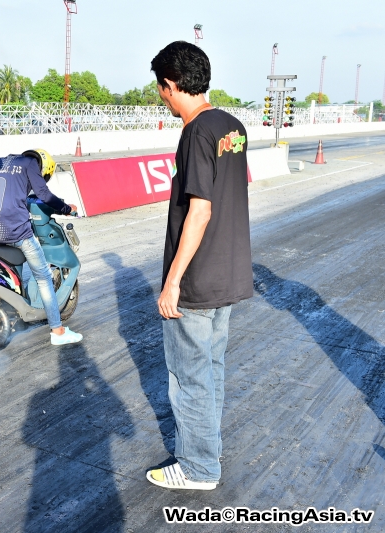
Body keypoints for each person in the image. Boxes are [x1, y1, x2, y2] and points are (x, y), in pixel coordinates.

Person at [145, 41, 253, 491]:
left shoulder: (195, 132)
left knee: (188, 377)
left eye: (161, 90)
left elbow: (201, 209)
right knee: (210, 370)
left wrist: (172, 282)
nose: (162, 97)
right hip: (228, 272)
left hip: (196, 278)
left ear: (172, 84)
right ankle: (208, 450)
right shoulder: (232, 125)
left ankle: (198, 467)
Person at [0, 149, 83, 346]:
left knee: (11, 271)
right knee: (43, 278)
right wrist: (67, 209)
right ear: (41, 167)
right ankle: (58, 331)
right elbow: (43, 194)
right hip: (17, 232)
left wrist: (8, 203)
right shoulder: (30, 164)